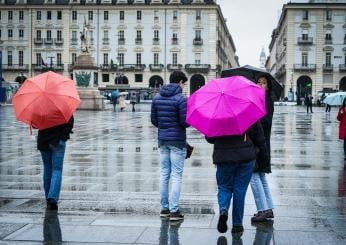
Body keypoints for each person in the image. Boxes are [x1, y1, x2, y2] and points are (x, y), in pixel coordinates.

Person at [206, 121, 267, 236]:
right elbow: (259, 137)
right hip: (245, 157)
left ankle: (224, 211)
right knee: (240, 190)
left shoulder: (217, 114)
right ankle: (237, 225)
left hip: (223, 157)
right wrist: (258, 152)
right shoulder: (247, 109)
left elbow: (210, 138)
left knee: (224, 187)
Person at [151, 71, 189, 221]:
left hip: (162, 140)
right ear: (180, 82)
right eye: (184, 83)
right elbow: (184, 122)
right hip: (177, 141)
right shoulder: (181, 99)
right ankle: (174, 211)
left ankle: (164, 209)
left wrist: (165, 126)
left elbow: (154, 121)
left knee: (164, 174)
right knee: (177, 175)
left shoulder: (157, 98)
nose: (184, 86)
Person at [250, 75, 275, 222]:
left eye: (263, 83)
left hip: (260, 143)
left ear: (268, 86)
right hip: (262, 143)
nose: (260, 85)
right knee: (260, 175)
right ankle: (268, 208)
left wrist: (252, 115)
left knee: (254, 175)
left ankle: (262, 210)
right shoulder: (261, 99)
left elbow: (265, 121)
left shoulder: (265, 100)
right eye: (258, 82)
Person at [37, 116, 74, 210]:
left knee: (47, 168)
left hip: (43, 140)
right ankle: (52, 197)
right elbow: (70, 122)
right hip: (58, 140)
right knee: (57, 169)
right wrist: (63, 136)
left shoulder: (40, 106)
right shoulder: (62, 105)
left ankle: (48, 196)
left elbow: (35, 125)